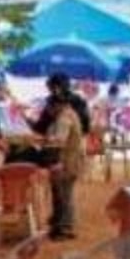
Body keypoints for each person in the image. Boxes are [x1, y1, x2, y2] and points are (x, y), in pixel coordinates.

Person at [43, 82, 86, 240]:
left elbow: (59, 141)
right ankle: (64, 224)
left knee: (62, 194)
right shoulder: (70, 114)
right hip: (71, 159)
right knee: (65, 194)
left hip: (66, 161)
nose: (48, 111)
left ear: (57, 105)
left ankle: (63, 228)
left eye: (49, 107)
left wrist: (45, 141)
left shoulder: (64, 118)